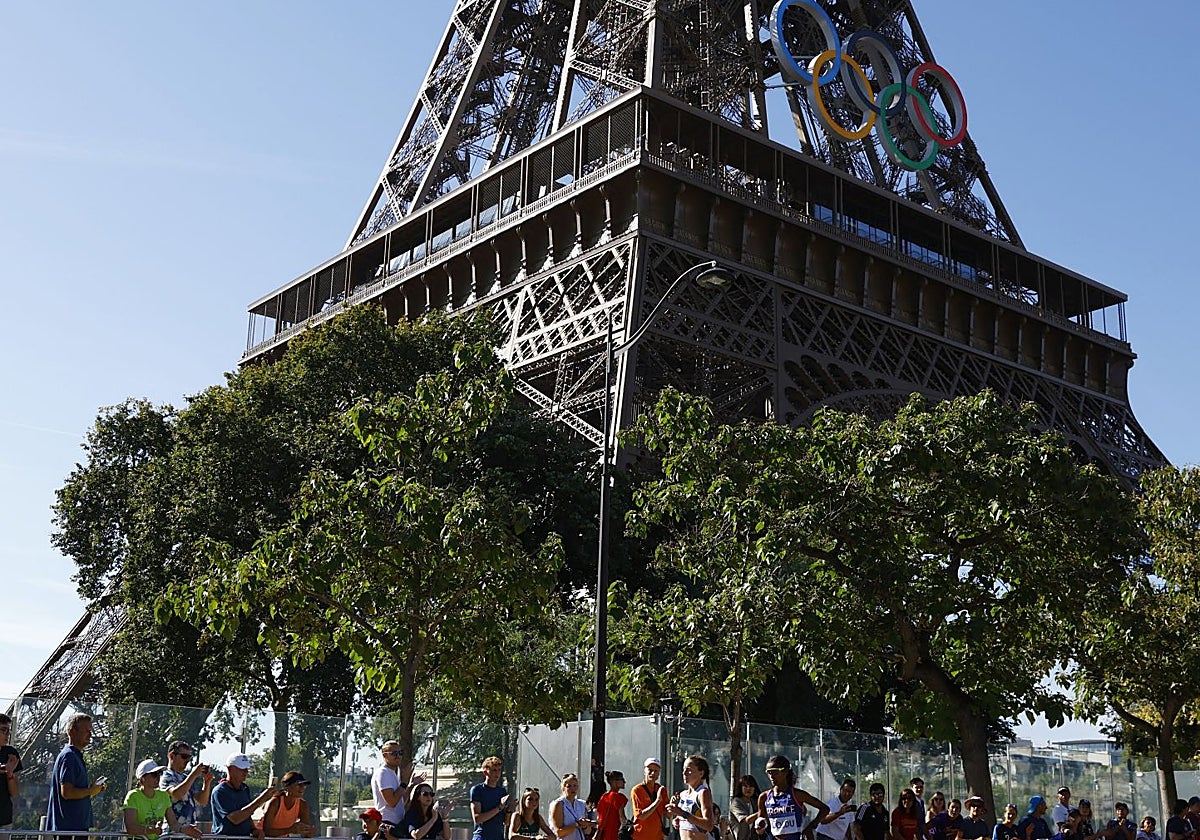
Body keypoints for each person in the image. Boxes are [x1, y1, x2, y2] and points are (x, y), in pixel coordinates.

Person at [47, 712, 106, 840]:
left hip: (73, 828)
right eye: (86, 731)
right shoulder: (70, 757)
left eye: (91, 730)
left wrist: (93, 789)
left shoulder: (73, 755)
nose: (90, 735)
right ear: (72, 732)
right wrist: (91, 791)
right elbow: (67, 793)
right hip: (69, 830)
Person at [123, 758, 200, 840]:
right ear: (142, 778)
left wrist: (183, 829)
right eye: (154, 774)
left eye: (159, 773)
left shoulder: (163, 796)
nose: (158, 778)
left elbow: (173, 823)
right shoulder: (133, 796)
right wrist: (151, 830)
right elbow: (130, 827)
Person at [756, 755, 828, 840]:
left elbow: (825, 809)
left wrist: (810, 827)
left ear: (785, 771)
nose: (771, 776)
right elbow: (759, 826)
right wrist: (759, 826)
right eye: (769, 772)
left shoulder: (797, 794)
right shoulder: (764, 797)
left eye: (775, 772)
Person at [211, 752, 276, 837]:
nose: (246, 772)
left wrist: (254, 830)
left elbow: (247, 814)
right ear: (230, 769)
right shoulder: (220, 791)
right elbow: (235, 819)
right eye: (242, 768)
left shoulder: (244, 788)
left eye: (246, 768)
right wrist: (262, 799)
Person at [161, 740, 214, 830]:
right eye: (184, 757)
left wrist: (207, 782)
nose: (187, 761)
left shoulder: (187, 778)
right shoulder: (165, 776)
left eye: (189, 757)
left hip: (188, 832)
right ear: (172, 756)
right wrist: (193, 775)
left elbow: (202, 801)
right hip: (171, 832)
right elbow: (176, 794)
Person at [665, 755, 715, 840]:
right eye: (684, 769)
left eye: (689, 770)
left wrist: (682, 813)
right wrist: (677, 820)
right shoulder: (683, 794)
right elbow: (677, 817)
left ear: (701, 773)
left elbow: (709, 825)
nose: (684, 773)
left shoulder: (702, 793)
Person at [375, 741, 422, 828]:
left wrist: (411, 785)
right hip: (387, 824)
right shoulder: (383, 772)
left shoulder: (393, 774)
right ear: (384, 755)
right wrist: (404, 781)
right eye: (394, 753)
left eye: (400, 753)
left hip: (397, 823)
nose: (398, 756)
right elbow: (392, 802)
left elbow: (401, 801)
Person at [473, 756, 516, 840]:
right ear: (485, 772)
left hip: (498, 837)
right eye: (494, 770)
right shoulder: (477, 790)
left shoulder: (502, 791)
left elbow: (506, 822)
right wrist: (499, 807)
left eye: (499, 770)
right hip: (482, 836)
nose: (497, 773)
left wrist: (509, 810)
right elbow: (477, 819)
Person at [262, 770, 317, 837]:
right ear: (287, 787)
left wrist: (309, 832)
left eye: (304, 785)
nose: (302, 788)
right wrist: (290, 830)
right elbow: (266, 831)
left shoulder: (303, 805)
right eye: (299, 784)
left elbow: (306, 833)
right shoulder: (275, 802)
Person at [631, 758, 668, 840]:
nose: (653, 773)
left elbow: (668, 815)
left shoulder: (661, 789)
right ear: (644, 771)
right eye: (650, 770)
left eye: (656, 771)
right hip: (640, 836)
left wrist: (673, 804)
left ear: (659, 773)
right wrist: (657, 801)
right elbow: (641, 816)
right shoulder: (637, 790)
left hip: (658, 836)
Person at [551, 773, 595, 840]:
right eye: (569, 786)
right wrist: (576, 825)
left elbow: (588, 832)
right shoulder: (559, 804)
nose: (573, 789)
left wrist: (585, 826)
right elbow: (558, 833)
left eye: (575, 786)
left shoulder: (582, 804)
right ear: (563, 788)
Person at [0, 712, 23, 830]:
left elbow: (14, 793)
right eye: (4, 730)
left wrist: (9, 773)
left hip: (4, 816)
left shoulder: (10, 753)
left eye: (9, 731)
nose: (7, 735)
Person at [596, 771, 629, 840]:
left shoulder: (604, 796)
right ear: (614, 781)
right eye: (622, 779)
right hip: (614, 834)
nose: (624, 782)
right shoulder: (619, 797)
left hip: (602, 834)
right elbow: (622, 818)